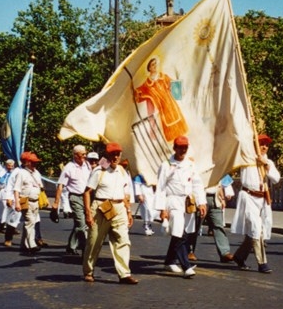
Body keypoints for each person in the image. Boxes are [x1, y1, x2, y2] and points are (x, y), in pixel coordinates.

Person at [82, 142, 139, 284]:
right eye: (112, 154)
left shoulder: (122, 171)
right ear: (107, 155)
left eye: (117, 154)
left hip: (119, 208)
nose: (115, 157)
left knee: (123, 240)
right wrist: (88, 213)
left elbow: (125, 194)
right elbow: (87, 192)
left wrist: (129, 211)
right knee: (94, 241)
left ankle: (124, 274)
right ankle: (88, 271)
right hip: (101, 207)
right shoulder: (99, 171)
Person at [155, 136, 206, 278]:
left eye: (185, 147)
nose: (183, 150)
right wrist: (162, 209)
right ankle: (186, 266)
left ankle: (169, 260)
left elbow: (197, 184)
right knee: (180, 233)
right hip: (173, 201)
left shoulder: (190, 165)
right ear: (174, 148)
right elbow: (160, 187)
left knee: (182, 232)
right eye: (180, 147)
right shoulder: (166, 165)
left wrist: (201, 202)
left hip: (187, 202)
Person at [232, 134, 279, 273]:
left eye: (266, 144)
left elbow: (276, 178)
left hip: (262, 199)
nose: (264, 147)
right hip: (248, 197)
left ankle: (239, 256)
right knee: (256, 228)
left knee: (256, 231)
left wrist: (265, 165)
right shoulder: (246, 159)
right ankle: (262, 263)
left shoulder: (268, 162)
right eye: (261, 144)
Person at [134, 56, 188, 143]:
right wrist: (135, 91)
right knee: (170, 134)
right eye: (152, 65)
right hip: (162, 110)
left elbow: (175, 88)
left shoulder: (163, 76)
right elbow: (139, 93)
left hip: (172, 105)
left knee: (181, 131)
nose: (155, 66)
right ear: (149, 68)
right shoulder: (148, 84)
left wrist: (179, 79)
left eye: (156, 64)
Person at [187, 172, 234, 264]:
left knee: (218, 226)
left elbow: (222, 179)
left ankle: (224, 253)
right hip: (201, 198)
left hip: (215, 198)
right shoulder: (199, 164)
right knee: (195, 226)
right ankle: (189, 251)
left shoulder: (217, 164)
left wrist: (224, 196)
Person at [54, 145, 92, 256]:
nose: (85, 156)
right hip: (75, 197)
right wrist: (56, 204)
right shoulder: (69, 167)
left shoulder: (87, 165)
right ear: (75, 155)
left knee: (78, 224)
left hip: (87, 197)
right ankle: (85, 249)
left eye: (85, 154)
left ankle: (71, 246)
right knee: (81, 224)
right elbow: (60, 185)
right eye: (83, 154)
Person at [10, 151, 43, 255]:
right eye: (33, 162)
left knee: (30, 223)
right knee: (30, 222)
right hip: (26, 201)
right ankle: (32, 244)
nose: (35, 164)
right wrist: (17, 203)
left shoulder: (36, 173)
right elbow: (16, 189)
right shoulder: (21, 173)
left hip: (35, 201)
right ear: (26, 162)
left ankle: (23, 245)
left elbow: (40, 186)